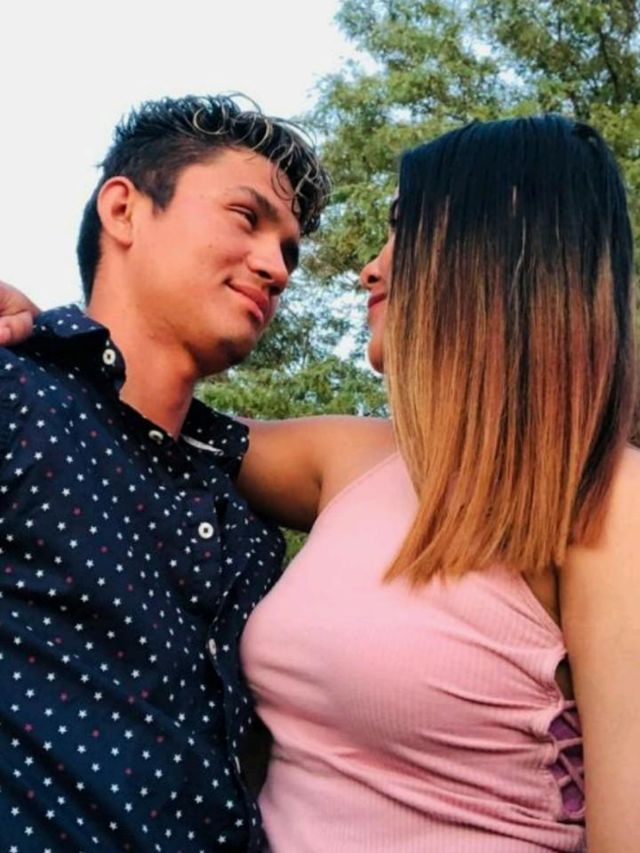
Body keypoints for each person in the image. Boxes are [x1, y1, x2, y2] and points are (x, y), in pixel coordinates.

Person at [3, 115, 639, 851]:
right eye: (246, 218)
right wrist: (44, 335)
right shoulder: (350, 458)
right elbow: (148, 409)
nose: (369, 268)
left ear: (499, 247)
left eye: (402, 230)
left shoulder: (609, 500)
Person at [0, 93, 330, 851]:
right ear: (124, 210)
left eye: (289, 251)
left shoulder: (246, 523)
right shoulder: (17, 397)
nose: (276, 268)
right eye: (245, 217)